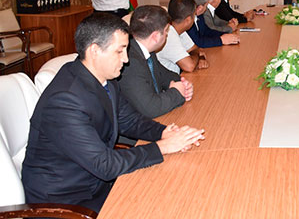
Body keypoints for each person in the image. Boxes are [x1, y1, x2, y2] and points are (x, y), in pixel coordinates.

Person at [21, 13, 205, 213]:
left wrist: (165, 132)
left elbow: (130, 120)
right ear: (94, 51)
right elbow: (105, 165)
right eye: (119, 51)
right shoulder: (64, 101)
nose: (126, 59)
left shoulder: (103, 78)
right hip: (67, 201)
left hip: (95, 183)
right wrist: (163, 147)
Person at [118, 5, 193, 118]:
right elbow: (150, 108)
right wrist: (177, 92)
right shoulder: (130, 62)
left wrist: (184, 85)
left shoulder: (147, 52)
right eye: (166, 31)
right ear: (155, 36)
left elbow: (166, 76)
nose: (167, 34)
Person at [157, 0, 209, 74]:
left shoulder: (179, 30)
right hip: (167, 80)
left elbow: (195, 49)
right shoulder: (169, 35)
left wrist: (200, 57)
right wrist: (197, 56)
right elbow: (189, 67)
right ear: (188, 20)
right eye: (194, 15)